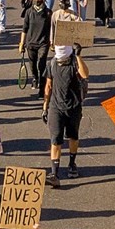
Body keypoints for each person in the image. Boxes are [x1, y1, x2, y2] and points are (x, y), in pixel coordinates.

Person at [42, 45, 89, 187]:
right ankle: (54, 174)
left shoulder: (75, 62)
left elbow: (85, 74)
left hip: (74, 107)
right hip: (56, 108)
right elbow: (48, 85)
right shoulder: (52, 63)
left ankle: (72, 163)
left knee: (73, 137)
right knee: (55, 140)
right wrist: (45, 107)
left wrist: (79, 56)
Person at [19, 0, 52, 96]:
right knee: (32, 64)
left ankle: (42, 87)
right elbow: (25, 29)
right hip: (31, 43)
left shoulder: (48, 13)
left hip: (43, 43)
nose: (37, 0)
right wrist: (21, 43)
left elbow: (52, 29)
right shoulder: (29, 12)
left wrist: (52, 42)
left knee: (42, 64)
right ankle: (35, 77)